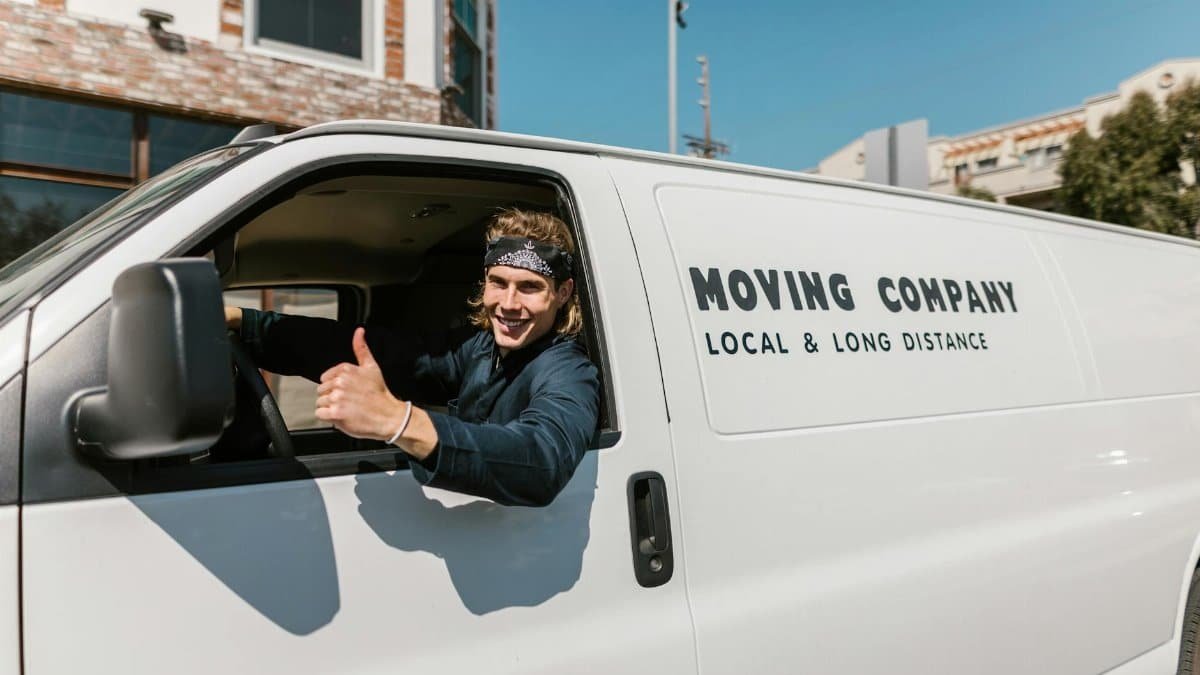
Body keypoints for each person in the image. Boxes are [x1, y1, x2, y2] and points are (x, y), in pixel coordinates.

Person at [225, 208, 600, 507]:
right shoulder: (480, 348)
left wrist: (399, 420)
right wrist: (251, 325)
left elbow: (542, 460)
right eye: (498, 283)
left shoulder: (568, 369)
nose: (508, 303)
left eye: (530, 288)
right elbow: (393, 356)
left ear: (563, 292)